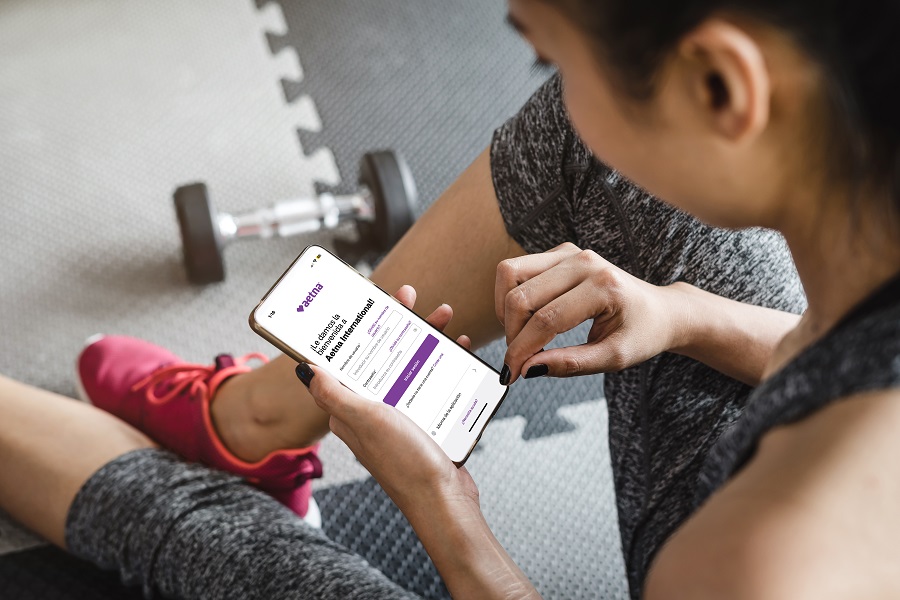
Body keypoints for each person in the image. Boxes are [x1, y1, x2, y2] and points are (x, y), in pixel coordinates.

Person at [2, 0, 899, 597]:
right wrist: (683, 312)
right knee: (593, 149)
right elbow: (834, 348)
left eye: (550, 58)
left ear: (721, 85)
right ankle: (257, 418)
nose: (554, 90)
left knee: (221, 547)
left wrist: (442, 508)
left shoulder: (765, 562)